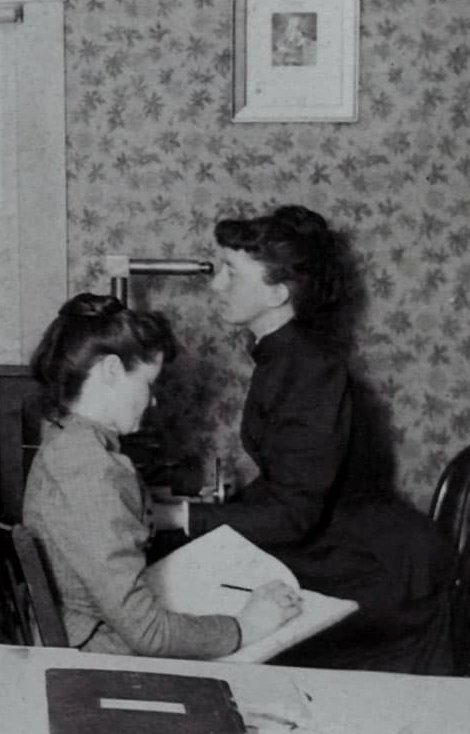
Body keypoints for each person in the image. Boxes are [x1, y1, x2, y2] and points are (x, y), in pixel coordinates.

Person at [158, 205, 455, 673]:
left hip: (379, 572)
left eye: (231, 272)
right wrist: (194, 513)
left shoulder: (310, 371)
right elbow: (287, 484)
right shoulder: (283, 357)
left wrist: (181, 515)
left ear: (277, 293)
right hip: (339, 547)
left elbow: (294, 513)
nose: (216, 284)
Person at [22, 295, 300, 657]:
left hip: (88, 628)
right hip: (102, 654)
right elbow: (149, 633)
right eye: (148, 384)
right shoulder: (90, 470)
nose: (152, 401)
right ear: (110, 370)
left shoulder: (64, 436)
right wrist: (245, 627)